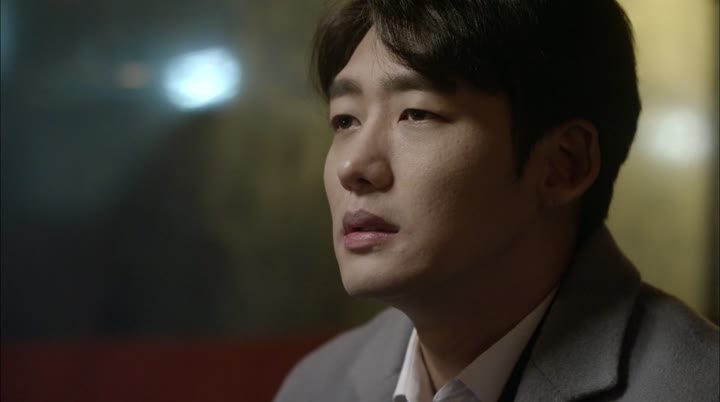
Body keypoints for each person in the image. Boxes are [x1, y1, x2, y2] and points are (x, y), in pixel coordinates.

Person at [274, 0, 720, 401]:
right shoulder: (317, 384)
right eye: (345, 120)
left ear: (564, 164)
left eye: (417, 114)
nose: (352, 166)